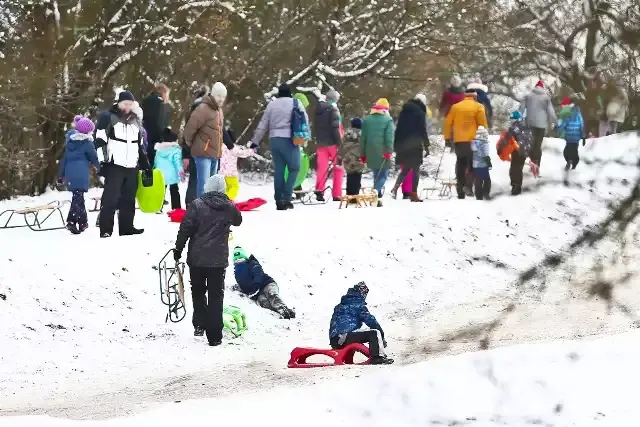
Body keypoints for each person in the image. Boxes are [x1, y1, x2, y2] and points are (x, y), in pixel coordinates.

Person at [174, 174, 242, 345]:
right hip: (218, 260)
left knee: (198, 292)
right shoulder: (229, 206)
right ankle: (215, 337)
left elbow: (185, 230)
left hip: (197, 259)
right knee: (216, 296)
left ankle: (200, 324)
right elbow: (238, 220)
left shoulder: (197, 205)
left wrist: (178, 249)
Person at [95, 90, 150, 238]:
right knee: (110, 199)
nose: (127, 107)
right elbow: (100, 142)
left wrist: (145, 164)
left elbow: (140, 145)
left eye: (130, 104)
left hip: (132, 165)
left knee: (128, 198)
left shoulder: (136, 120)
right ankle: (106, 229)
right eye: (125, 104)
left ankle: (127, 227)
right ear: (118, 103)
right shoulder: (108, 117)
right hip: (114, 165)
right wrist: (103, 163)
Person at [250, 83, 309, 210]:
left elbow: (263, 124)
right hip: (290, 139)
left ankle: (278, 199)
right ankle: (286, 197)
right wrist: (306, 137)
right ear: (290, 93)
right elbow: (305, 120)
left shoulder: (272, 105)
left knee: (280, 170)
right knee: (294, 168)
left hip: (274, 139)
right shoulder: (296, 103)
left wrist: (255, 141)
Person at [329, 282, 393, 365]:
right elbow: (371, 321)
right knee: (374, 332)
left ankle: (349, 358)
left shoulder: (341, 305)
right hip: (344, 337)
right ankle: (377, 357)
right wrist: (382, 337)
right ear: (361, 293)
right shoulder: (358, 305)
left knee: (358, 333)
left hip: (335, 340)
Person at [183, 82, 227, 199]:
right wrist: (192, 144)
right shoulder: (203, 108)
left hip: (215, 153)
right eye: (218, 96)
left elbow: (219, 132)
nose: (221, 99)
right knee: (204, 185)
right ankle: (201, 210)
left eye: (223, 97)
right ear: (212, 95)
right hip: (203, 153)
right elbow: (189, 128)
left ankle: (210, 210)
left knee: (212, 187)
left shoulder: (219, 111)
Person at [443, 88, 488, 199]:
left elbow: (447, 123)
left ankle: (460, 191)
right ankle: (468, 186)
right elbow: (482, 124)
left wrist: (447, 138)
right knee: (473, 165)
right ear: (475, 96)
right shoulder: (478, 107)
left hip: (459, 141)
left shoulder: (455, 107)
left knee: (460, 164)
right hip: (473, 141)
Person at [58, 117, 100, 234]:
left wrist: (61, 176)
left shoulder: (69, 142)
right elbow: (94, 158)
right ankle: (71, 220)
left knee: (78, 196)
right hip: (81, 173)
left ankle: (83, 222)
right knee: (78, 197)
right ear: (87, 132)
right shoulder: (87, 143)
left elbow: (64, 160)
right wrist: (102, 169)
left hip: (70, 173)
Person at [232, 246, 296, 319]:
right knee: (263, 302)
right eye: (236, 259)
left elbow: (258, 274)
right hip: (257, 293)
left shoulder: (252, 263)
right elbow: (243, 284)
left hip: (267, 283)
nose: (238, 260)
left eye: (240, 258)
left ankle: (282, 309)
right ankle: (279, 312)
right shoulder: (237, 272)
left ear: (245, 257)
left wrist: (255, 286)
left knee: (271, 294)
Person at [390, 94, 429, 202]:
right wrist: (427, 145)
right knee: (416, 169)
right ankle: (413, 194)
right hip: (415, 145)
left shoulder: (404, 112)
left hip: (403, 144)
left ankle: (395, 188)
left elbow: (398, 129)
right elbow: (422, 130)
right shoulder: (420, 113)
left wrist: (396, 145)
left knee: (406, 168)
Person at [361, 98, 394, 206]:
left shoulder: (367, 119)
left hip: (370, 151)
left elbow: (363, 138)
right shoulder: (388, 120)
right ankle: (375, 191)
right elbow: (389, 137)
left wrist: (363, 154)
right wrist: (389, 150)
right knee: (383, 175)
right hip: (383, 152)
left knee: (376, 175)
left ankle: (377, 199)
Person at [518, 80, 556, 173]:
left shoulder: (528, 96)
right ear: (542, 88)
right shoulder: (546, 98)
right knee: (538, 145)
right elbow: (551, 112)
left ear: (535, 87)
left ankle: (533, 162)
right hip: (541, 126)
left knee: (531, 144)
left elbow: (521, 109)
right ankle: (537, 164)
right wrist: (555, 122)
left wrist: (518, 120)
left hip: (530, 124)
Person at [314, 89, 344, 202]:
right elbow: (335, 128)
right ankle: (336, 194)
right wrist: (340, 143)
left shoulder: (318, 110)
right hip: (333, 144)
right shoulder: (333, 109)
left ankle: (319, 191)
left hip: (321, 143)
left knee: (322, 168)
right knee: (339, 167)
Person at [183, 85, 209, 206]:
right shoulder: (205, 110)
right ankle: (198, 204)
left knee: (194, 177)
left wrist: (186, 154)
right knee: (202, 177)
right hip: (204, 147)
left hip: (194, 147)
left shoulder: (192, 110)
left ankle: (190, 202)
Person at [501, 111, 533, 196]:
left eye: (512, 119)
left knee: (514, 168)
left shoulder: (513, 127)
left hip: (518, 149)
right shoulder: (526, 125)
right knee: (518, 167)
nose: (511, 121)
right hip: (526, 150)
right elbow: (530, 138)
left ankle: (516, 186)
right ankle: (516, 185)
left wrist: (501, 148)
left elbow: (507, 139)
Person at [219, 131, 257, 201]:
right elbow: (243, 153)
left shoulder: (219, 147)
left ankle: (224, 200)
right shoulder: (232, 148)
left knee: (226, 188)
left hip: (220, 173)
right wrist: (252, 149)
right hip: (230, 173)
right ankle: (225, 200)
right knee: (234, 187)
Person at [154, 128, 184, 210]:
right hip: (172, 175)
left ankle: (158, 207)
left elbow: (155, 161)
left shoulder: (159, 149)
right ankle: (176, 207)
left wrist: (154, 169)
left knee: (161, 191)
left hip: (160, 174)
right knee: (174, 191)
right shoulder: (176, 150)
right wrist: (181, 174)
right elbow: (177, 163)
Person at [142, 84, 170, 166]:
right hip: (156, 138)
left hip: (145, 135)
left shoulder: (146, 101)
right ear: (164, 93)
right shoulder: (162, 105)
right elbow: (160, 123)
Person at [557, 99, 585, 171]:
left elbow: (564, 124)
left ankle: (571, 163)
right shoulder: (574, 115)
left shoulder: (575, 115)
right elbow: (581, 125)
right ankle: (571, 162)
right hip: (573, 138)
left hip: (571, 137)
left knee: (569, 152)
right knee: (571, 151)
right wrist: (583, 136)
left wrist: (559, 130)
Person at [342, 118, 364, 197]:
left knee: (350, 175)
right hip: (358, 157)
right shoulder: (362, 134)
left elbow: (342, 145)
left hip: (348, 158)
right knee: (357, 175)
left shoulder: (347, 133)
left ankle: (349, 193)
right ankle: (355, 194)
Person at [471, 126, 491, 200]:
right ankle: (486, 193)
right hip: (483, 164)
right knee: (487, 180)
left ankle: (478, 195)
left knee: (478, 180)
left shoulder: (473, 142)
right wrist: (489, 162)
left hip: (476, 164)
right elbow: (485, 154)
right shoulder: (484, 143)